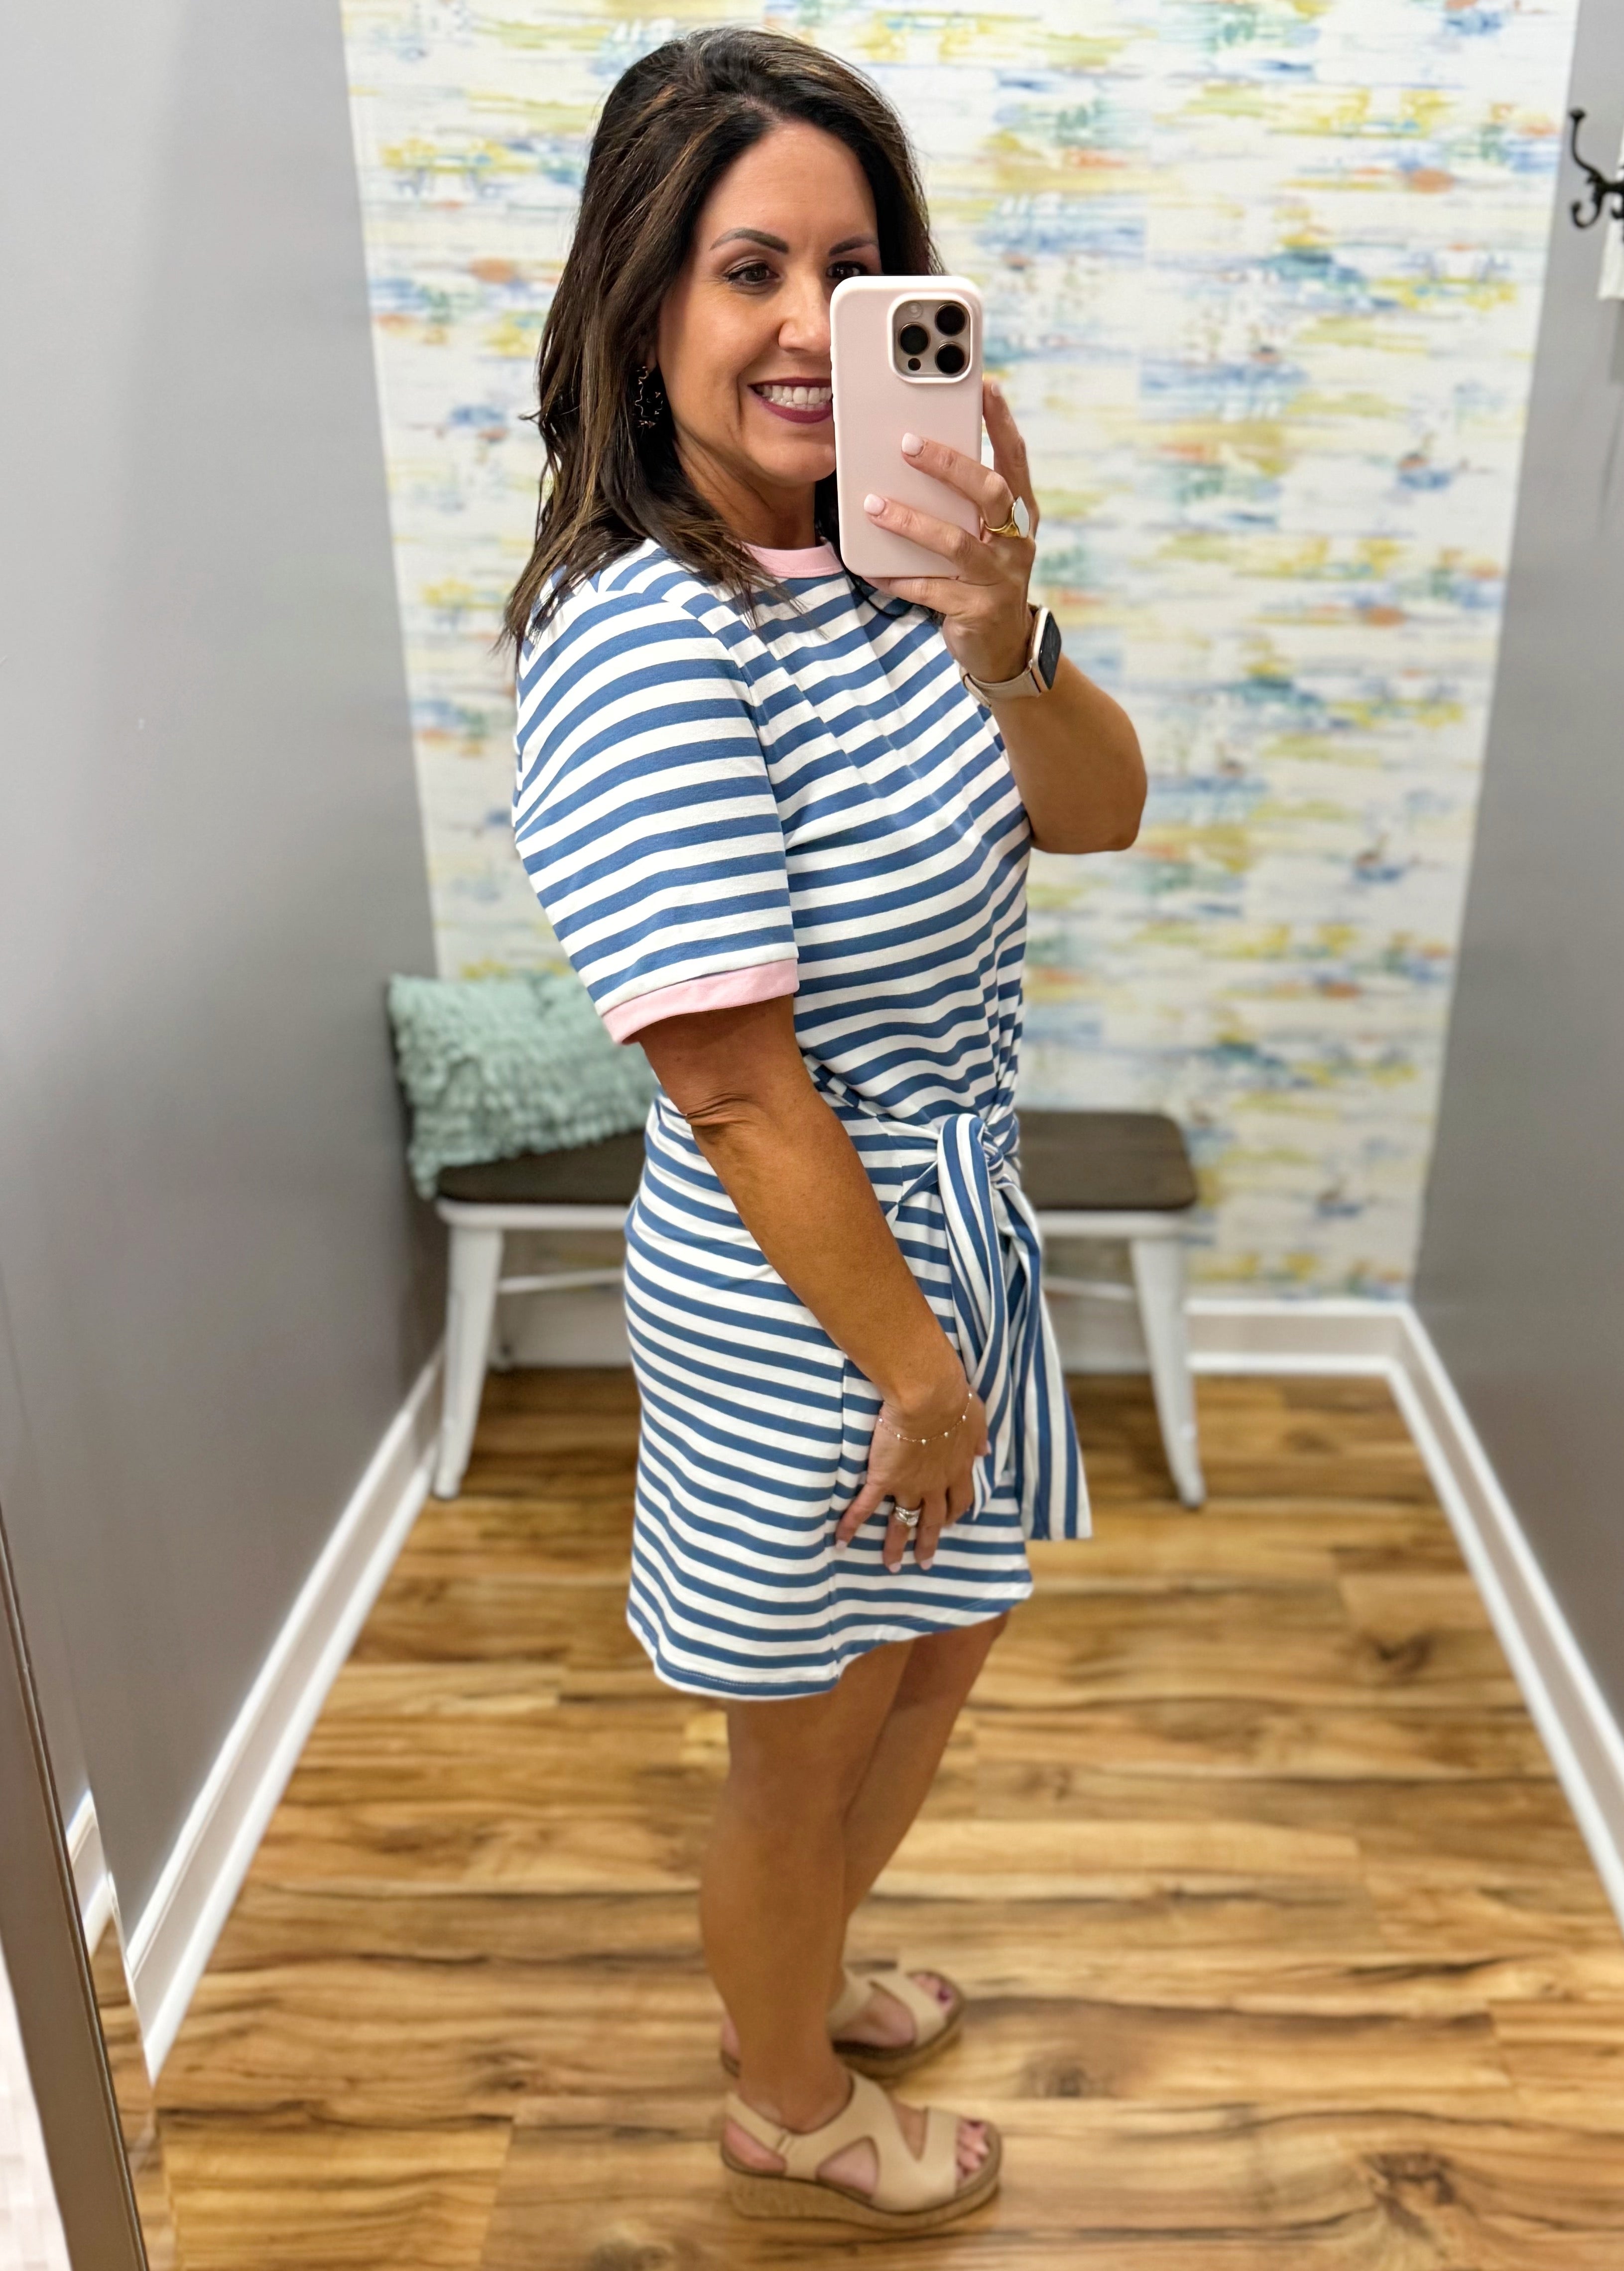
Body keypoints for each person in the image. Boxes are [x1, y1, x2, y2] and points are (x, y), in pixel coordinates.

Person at [506, 25, 1145, 2235]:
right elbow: (738, 1088)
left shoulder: (901, 585)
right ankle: (779, 2091)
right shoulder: (644, 641)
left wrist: (1006, 622)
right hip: (820, 1300)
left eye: (854, 270)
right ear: (641, 305)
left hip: (949, 1241)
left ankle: (796, 1983)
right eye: (744, 267)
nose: (803, 327)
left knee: (931, 1659)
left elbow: (1103, 811)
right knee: (804, 1741)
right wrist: (909, 1366)